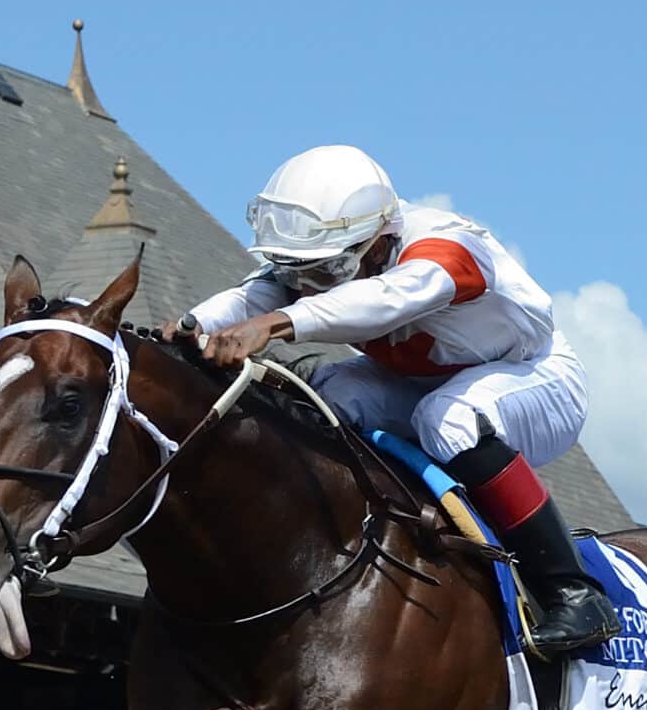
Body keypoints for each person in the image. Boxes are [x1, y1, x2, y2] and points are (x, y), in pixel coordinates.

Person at [171, 144, 619, 656]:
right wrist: (190, 325)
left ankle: (573, 592)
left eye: (320, 274)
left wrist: (274, 326)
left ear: (379, 242)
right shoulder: (343, 251)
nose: (304, 287)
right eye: (297, 272)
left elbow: (384, 301)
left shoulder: (445, 248)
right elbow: (258, 293)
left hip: (534, 375)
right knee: (323, 398)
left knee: (448, 419)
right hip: (415, 380)